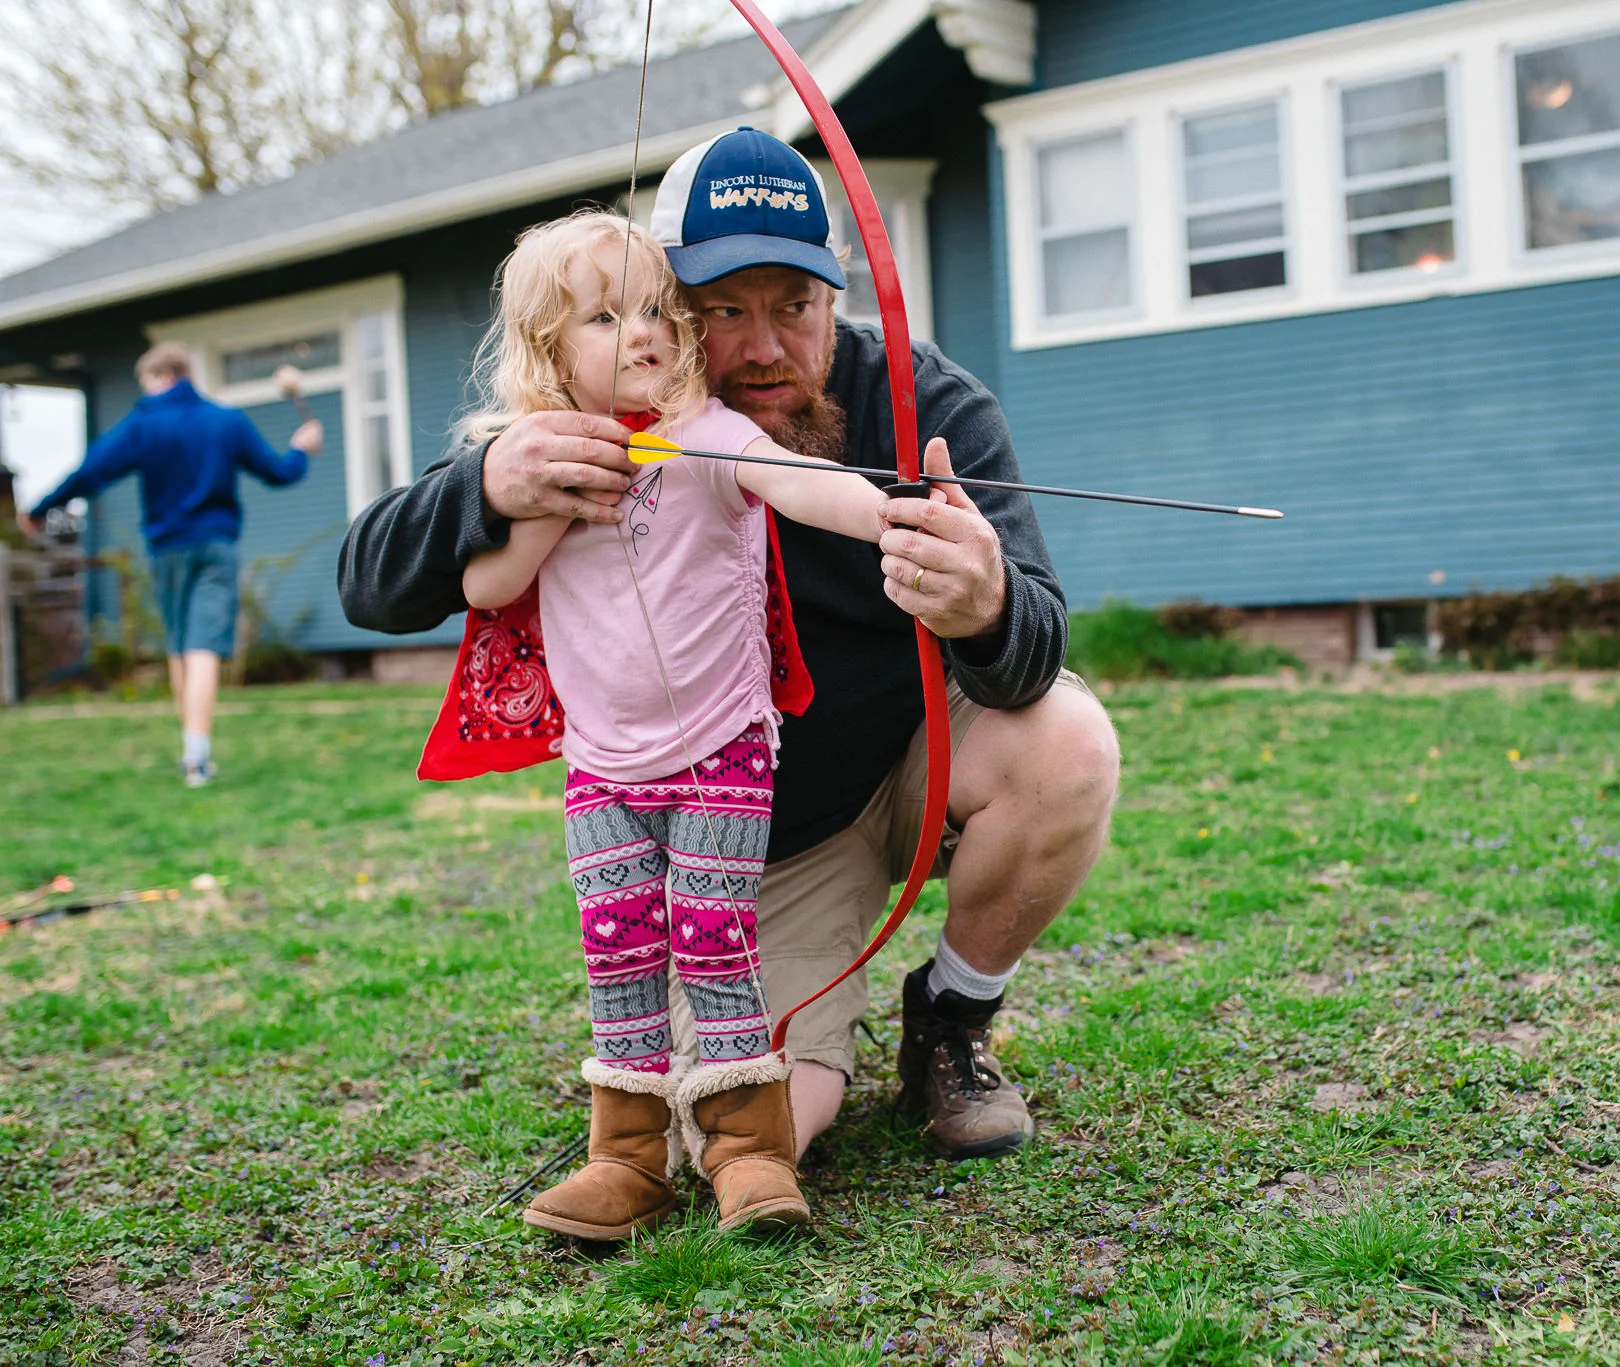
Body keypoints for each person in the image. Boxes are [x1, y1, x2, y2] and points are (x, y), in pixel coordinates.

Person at [338, 127, 1120, 1166]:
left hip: (913, 766)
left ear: (834, 297)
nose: (761, 347)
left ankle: (949, 1020)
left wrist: (985, 602)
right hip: (757, 837)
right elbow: (367, 585)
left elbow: (1032, 648)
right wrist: (485, 486)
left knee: (1066, 738)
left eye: (792, 306)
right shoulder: (589, 421)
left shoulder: (925, 398)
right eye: (722, 310)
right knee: (728, 1137)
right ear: (662, 311)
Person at [451, 210, 906, 1237]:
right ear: (547, 349)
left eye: (657, 308)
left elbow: (796, 483)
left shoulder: (705, 431)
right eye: (604, 316)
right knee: (617, 953)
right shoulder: (543, 461)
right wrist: (545, 495)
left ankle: (750, 1152)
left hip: (721, 748)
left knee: (713, 937)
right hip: (601, 765)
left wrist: (887, 510)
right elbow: (488, 584)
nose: (645, 331)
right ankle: (626, 1160)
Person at [23, 341, 320, 785]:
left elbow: (91, 471)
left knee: (182, 647)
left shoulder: (143, 423)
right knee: (202, 647)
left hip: (168, 551)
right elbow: (279, 473)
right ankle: (196, 755)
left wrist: (40, 508)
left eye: (145, 383)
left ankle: (193, 753)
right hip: (216, 547)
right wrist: (300, 448)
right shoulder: (227, 421)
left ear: (160, 376)